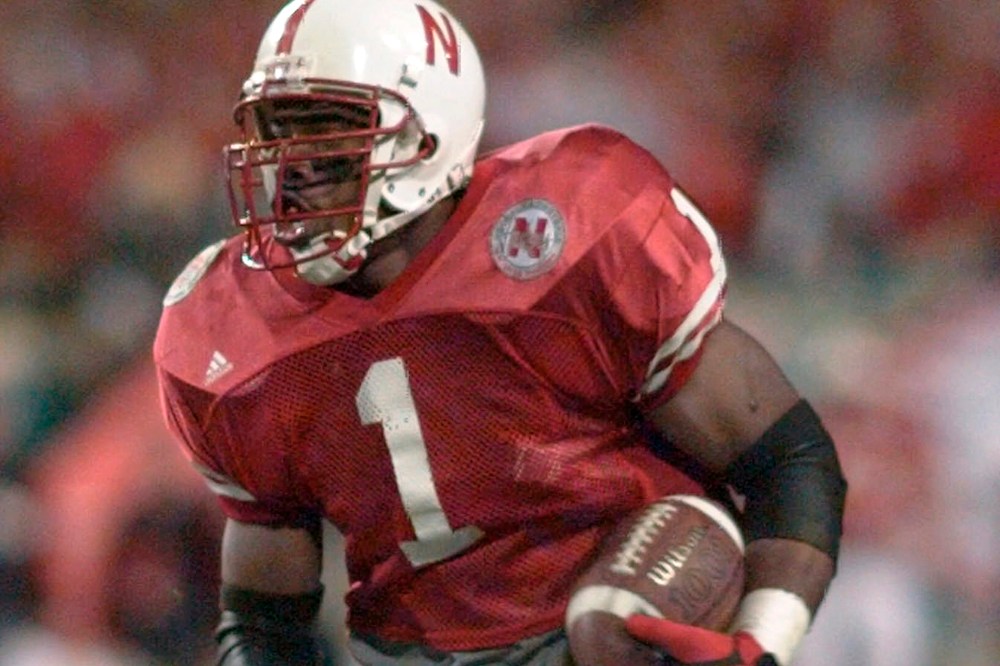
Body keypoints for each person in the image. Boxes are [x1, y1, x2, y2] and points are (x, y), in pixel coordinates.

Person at [152, 1, 847, 664]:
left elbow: (788, 459)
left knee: (610, 626)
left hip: (620, 602)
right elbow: (265, 615)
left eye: (326, 124)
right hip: (413, 649)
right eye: (277, 130)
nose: (290, 164)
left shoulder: (565, 233)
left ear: (423, 138)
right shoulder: (228, 329)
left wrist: (762, 642)